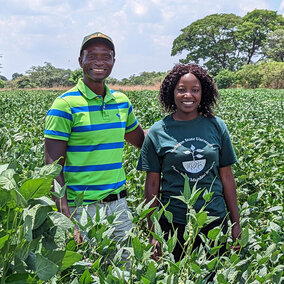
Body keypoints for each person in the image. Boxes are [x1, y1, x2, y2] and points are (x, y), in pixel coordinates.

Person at [44, 32, 145, 249]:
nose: (99, 62)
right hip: (81, 211)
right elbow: (52, 170)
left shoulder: (121, 101)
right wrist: (67, 220)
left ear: (113, 62)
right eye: (92, 56)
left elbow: (142, 141)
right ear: (81, 61)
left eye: (106, 56)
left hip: (118, 207)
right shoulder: (64, 105)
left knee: (124, 274)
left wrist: (182, 125)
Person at [137, 63, 241, 264]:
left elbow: (227, 177)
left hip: (214, 220)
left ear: (203, 93)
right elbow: (151, 186)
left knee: (213, 274)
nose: (188, 95)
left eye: (195, 90)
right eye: (181, 90)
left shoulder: (216, 126)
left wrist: (235, 223)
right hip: (173, 222)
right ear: (171, 92)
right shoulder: (158, 132)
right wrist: (153, 232)